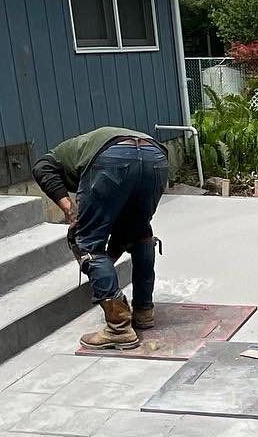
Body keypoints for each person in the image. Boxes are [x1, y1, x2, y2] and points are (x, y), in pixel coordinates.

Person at [31, 127, 169, 350]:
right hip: (156, 158)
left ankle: (119, 328)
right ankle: (144, 311)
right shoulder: (85, 146)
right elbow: (122, 232)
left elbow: (40, 168)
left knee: (87, 242)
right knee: (140, 234)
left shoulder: (57, 158)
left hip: (112, 160)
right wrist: (108, 260)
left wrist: (70, 211)